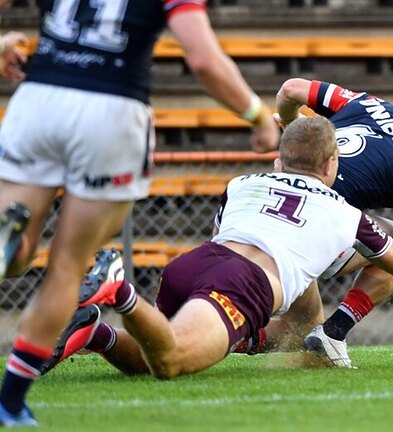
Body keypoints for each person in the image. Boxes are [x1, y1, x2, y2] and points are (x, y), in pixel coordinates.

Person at [0, 1, 279, 426]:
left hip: (39, 97)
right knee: (66, 268)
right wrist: (257, 115)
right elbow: (203, 58)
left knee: (16, 256)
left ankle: (14, 240)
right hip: (111, 108)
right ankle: (10, 402)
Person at [42, 116, 393, 381]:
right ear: (329, 166)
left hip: (194, 265)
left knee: (153, 353)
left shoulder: (241, 184)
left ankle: (95, 332)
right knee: (171, 363)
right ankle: (119, 291)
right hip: (242, 285)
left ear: (280, 159)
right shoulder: (345, 214)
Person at [254, 78, 393, 369]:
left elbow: (290, 89)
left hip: (264, 209)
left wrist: (291, 124)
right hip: (306, 233)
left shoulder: (369, 104)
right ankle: (334, 332)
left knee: (298, 329)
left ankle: (234, 336)